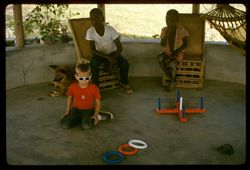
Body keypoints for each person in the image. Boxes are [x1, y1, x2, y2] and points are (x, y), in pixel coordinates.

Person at [86, 8, 133, 94]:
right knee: (93, 65)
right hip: (100, 55)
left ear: (102, 19)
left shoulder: (110, 30)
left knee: (124, 64)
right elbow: (92, 50)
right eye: (91, 19)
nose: (94, 21)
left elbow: (119, 48)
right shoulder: (90, 32)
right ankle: (96, 88)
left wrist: (111, 60)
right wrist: (108, 58)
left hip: (113, 53)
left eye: (96, 18)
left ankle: (124, 82)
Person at [60, 63, 113, 130]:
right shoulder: (72, 87)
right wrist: (67, 111)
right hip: (75, 110)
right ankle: (80, 119)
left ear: (90, 76)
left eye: (87, 78)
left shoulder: (94, 88)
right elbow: (69, 99)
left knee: (86, 126)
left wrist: (96, 115)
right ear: (76, 77)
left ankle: (99, 116)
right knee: (64, 125)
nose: (84, 80)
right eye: (81, 78)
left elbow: (98, 103)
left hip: (88, 111)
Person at [157, 9, 189, 91]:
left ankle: (172, 82)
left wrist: (176, 52)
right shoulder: (164, 30)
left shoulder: (181, 30)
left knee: (172, 64)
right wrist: (165, 37)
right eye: (167, 19)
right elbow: (162, 44)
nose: (168, 22)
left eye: (171, 20)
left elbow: (186, 44)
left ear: (176, 20)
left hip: (178, 53)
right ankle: (172, 79)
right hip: (167, 51)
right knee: (159, 58)